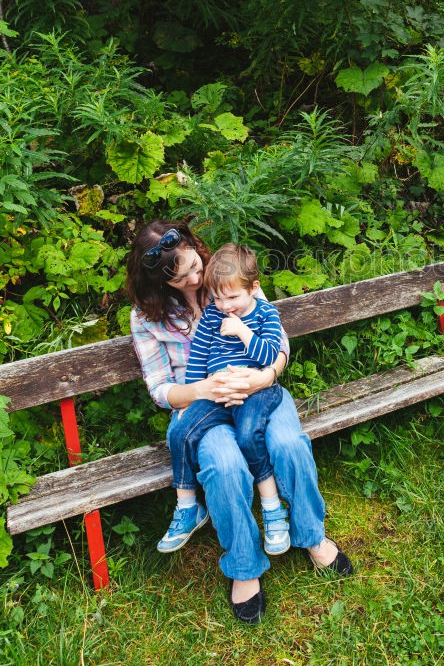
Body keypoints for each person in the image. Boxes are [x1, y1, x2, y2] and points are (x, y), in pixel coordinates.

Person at [126, 219, 352, 625]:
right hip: (204, 406)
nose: (197, 279)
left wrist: (263, 377)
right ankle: (245, 565)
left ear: (197, 247)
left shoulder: (229, 276)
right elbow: (160, 388)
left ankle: (311, 535)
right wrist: (202, 390)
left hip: (259, 390)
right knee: (225, 465)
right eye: (183, 278)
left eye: (196, 265)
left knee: (288, 443)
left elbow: (277, 342)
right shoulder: (146, 318)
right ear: (161, 282)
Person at [164, 242, 290, 557]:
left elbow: (268, 354)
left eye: (232, 297)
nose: (224, 306)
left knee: (249, 435)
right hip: (216, 396)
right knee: (178, 432)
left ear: (253, 288)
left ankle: (273, 509)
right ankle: (187, 506)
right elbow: (198, 359)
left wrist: (242, 331)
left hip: (256, 391)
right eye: (218, 298)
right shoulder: (211, 316)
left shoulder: (264, 315)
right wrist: (192, 397)